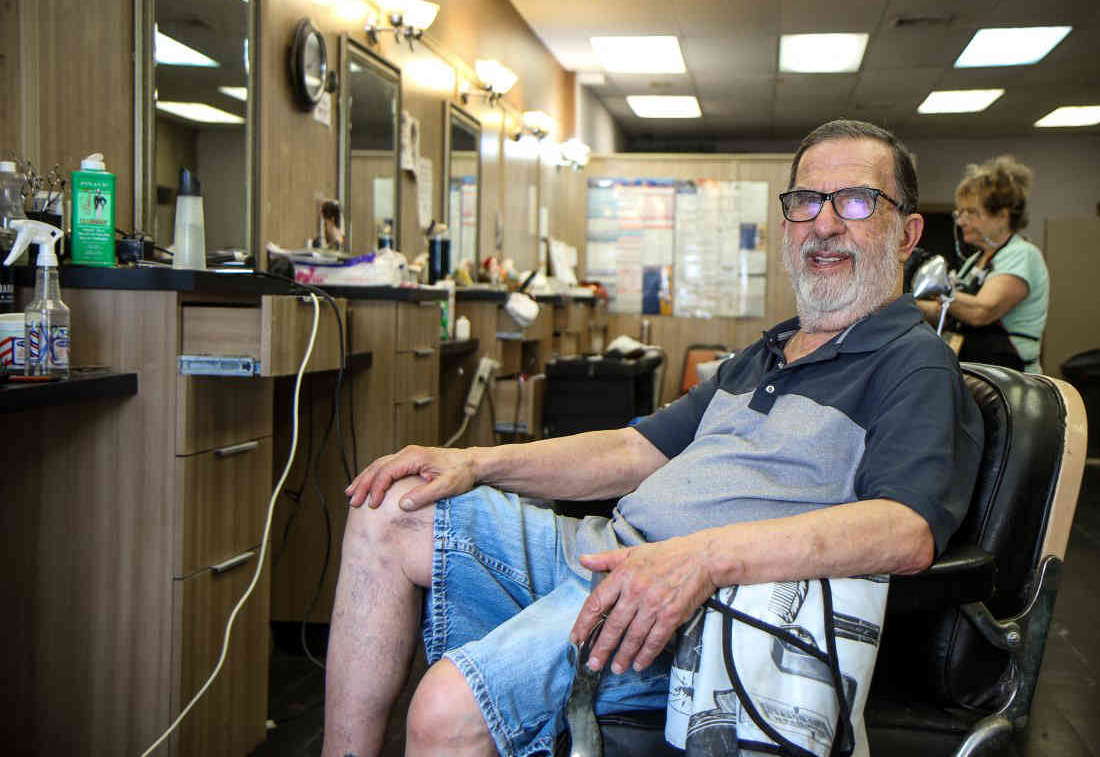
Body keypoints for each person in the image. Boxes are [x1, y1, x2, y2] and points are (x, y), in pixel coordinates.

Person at [321, 120, 985, 757]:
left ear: (907, 233)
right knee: (389, 507)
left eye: (857, 201)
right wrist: (471, 460)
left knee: (444, 708)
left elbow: (905, 529)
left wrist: (703, 560)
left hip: (693, 617)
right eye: (807, 201)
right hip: (609, 553)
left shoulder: (913, 362)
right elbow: (630, 452)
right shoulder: (767, 353)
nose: (826, 223)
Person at [916, 156, 1049, 373]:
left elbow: (981, 311)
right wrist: (905, 304)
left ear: (1002, 216)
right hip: (978, 371)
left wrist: (938, 287)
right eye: (961, 212)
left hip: (1011, 379)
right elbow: (948, 311)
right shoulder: (974, 261)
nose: (961, 221)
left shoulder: (1022, 255)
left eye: (972, 213)